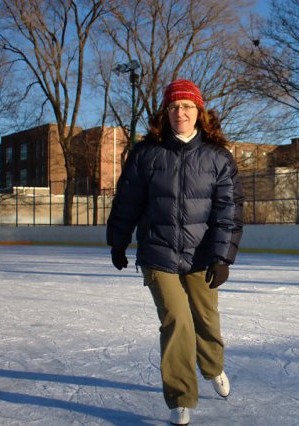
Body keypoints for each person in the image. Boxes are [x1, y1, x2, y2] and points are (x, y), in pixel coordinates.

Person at [106, 79, 244, 425]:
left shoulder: (218, 157)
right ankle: (181, 395)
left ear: (199, 112)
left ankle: (212, 367)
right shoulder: (146, 154)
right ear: (164, 113)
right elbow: (127, 202)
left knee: (206, 319)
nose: (180, 113)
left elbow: (228, 210)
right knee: (176, 321)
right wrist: (118, 241)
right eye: (173, 107)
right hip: (158, 251)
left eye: (186, 107)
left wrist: (222, 256)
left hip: (201, 255)